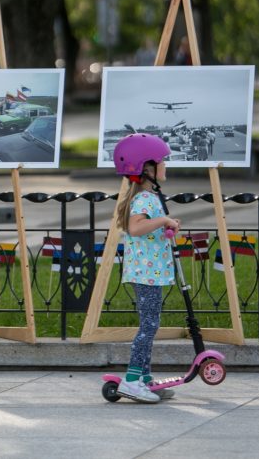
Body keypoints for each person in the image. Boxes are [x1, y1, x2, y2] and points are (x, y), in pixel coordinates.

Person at [112, 133, 180, 403]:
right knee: (148, 326)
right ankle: (131, 380)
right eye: (162, 161)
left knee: (151, 324)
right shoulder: (144, 199)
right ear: (148, 168)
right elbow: (135, 227)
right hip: (146, 274)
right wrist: (163, 219)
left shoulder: (148, 196)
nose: (166, 165)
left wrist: (165, 223)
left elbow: (146, 227)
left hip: (150, 271)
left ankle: (144, 378)